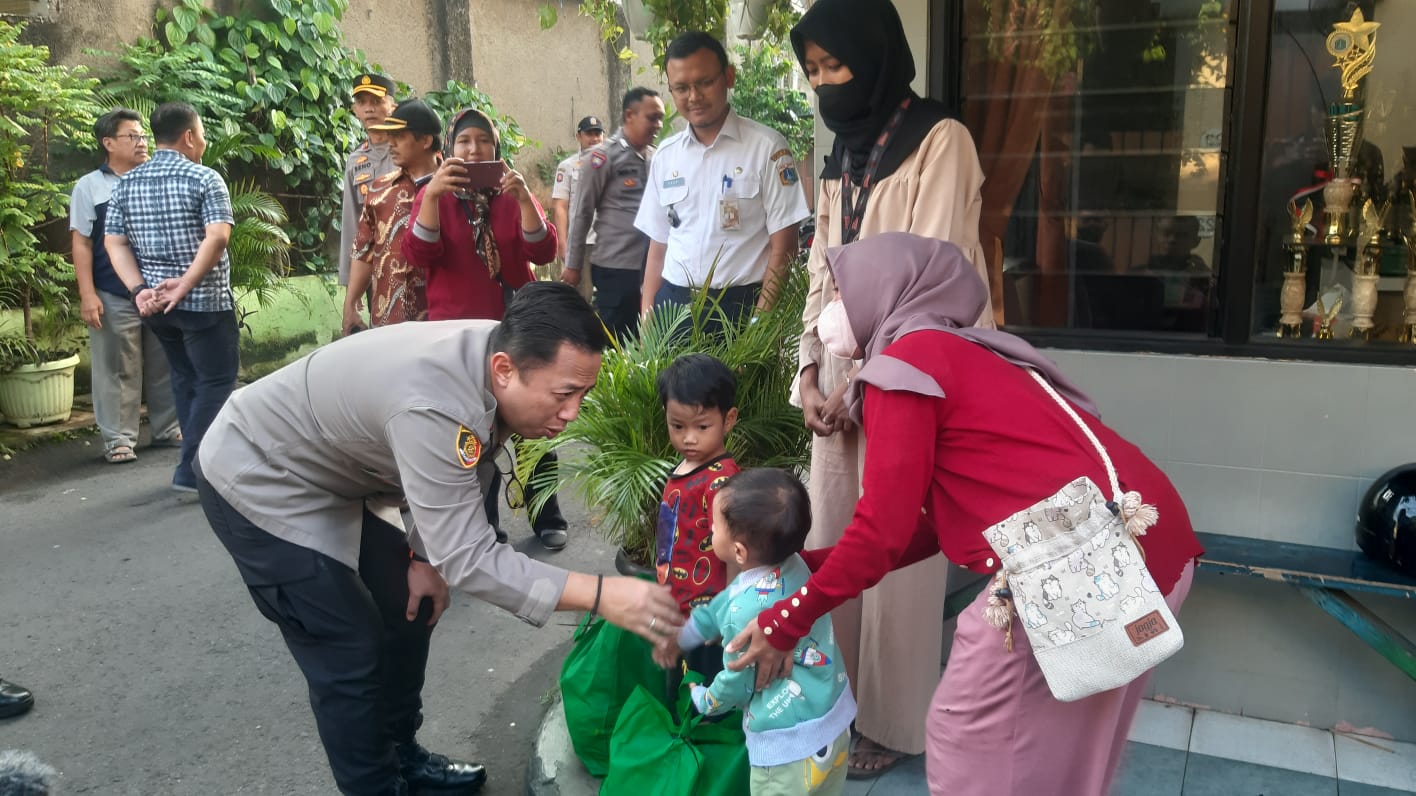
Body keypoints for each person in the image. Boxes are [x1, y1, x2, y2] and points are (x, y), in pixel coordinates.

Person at [726, 233, 1205, 796]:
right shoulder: (957, 350)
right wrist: (811, 565)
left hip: (1085, 560)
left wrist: (787, 619)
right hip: (1142, 543)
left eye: (841, 292)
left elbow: (881, 532)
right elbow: (928, 524)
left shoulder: (903, 367)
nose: (832, 308)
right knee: (1070, 758)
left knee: (967, 738)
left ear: (884, 288)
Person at [195, 282, 684, 796]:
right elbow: (469, 555)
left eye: (583, 394)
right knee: (349, 647)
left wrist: (426, 557)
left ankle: (402, 754)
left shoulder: (501, 353)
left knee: (411, 608)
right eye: (564, 395)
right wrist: (602, 594)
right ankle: (378, 788)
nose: (573, 413)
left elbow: (463, 468)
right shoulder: (435, 403)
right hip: (259, 472)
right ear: (504, 370)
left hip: (336, 470)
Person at [787, 0, 995, 777]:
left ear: (873, 57)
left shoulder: (941, 140)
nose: (823, 82)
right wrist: (809, 371)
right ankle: (835, 699)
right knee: (838, 532)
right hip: (841, 375)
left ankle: (894, 722)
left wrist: (866, 384)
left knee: (900, 550)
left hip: (912, 372)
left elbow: (931, 277)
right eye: (813, 70)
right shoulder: (842, 152)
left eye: (834, 64)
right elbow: (823, 270)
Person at [402, 107, 569, 549]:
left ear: (496, 149)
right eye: (464, 141)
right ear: (449, 149)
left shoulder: (509, 193)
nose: (474, 149)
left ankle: (547, 515)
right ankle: (484, 528)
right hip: (457, 337)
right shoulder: (432, 195)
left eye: (483, 141)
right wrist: (433, 197)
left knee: (535, 424)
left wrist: (524, 199)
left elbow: (543, 249)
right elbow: (419, 253)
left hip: (518, 329)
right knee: (473, 433)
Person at [661, 468, 855, 796]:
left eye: (714, 527)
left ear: (739, 552)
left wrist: (704, 700)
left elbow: (736, 681)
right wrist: (688, 633)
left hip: (786, 752)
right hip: (835, 723)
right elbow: (719, 608)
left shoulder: (743, 615)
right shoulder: (799, 567)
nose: (711, 530)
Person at [105, 101, 236, 494]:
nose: (204, 143)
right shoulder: (205, 178)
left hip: (156, 307)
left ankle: (199, 465)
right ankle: (193, 469)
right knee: (216, 381)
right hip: (205, 302)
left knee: (185, 378)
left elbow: (114, 243)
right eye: (203, 135)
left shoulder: (126, 183)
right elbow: (218, 236)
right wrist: (186, 283)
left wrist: (138, 289)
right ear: (189, 136)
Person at [635, 31, 810, 323]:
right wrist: (647, 321)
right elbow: (657, 247)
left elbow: (785, 246)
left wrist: (759, 324)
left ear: (728, 76)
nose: (694, 97)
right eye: (681, 88)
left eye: (705, 82)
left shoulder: (767, 148)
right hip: (675, 309)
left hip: (742, 309)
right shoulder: (666, 156)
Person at [70, 107, 180, 464]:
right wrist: (88, 294)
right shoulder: (90, 186)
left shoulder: (156, 178)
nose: (142, 142)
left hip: (161, 288)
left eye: (143, 135)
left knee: (165, 361)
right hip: (113, 291)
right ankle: (119, 439)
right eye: (132, 136)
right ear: (108, 143)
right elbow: (81, 243)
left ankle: (168, 428)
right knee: (118, 367)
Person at [653, 354, 742, 680]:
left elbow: (735, 553)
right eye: (677, 426)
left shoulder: (720, 481)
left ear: (728, 419)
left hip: (707, 615)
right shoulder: (684, 466)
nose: (688, 438)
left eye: (702, 427)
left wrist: (727, 613)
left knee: (703, 683)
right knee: (677, 678)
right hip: (677, 604)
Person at [563, 88, 665, 340]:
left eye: (660, 118)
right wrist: (573, 265)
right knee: (616, 341)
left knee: (651, 339)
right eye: (652, 118)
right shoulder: (602, 158)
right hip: (616, 267)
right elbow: (581, 212)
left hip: (653, 267)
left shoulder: (656, 158)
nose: (659, 125)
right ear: (630, 115)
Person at [343, 99, 442, 334]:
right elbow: (364, 251)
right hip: (387, 322)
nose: (391, 143)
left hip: (441, 323)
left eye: (400, 136)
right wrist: (351, 303)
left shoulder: (455, 189)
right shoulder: (380, 190)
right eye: (390, 136)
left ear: (426, 140)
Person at [338, 73, 399, 289]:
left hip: (412, 262)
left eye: (377, 101)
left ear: (392, 106)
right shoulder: (355, 161)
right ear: (355, 110)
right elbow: (351, 221)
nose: (369, 109)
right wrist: (350, 283)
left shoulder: (410, 149)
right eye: (362, 102)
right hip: (374, 270)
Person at [551, 115, 606, 299]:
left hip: (608, 243)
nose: (594, 138)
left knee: (611, 296)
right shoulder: (567, 167)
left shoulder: (613, 165)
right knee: (582, 298)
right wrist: (563, 244)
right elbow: (560, 206)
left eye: (598, 133)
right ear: (578, 136)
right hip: (581, 245)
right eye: (589, 134)